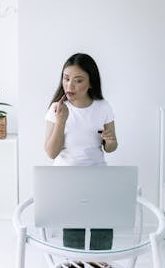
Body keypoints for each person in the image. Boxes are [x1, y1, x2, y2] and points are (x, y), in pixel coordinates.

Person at [44, 53, 118, 250]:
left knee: (103, 223)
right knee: (74, 225)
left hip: (97, 176)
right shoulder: (57, 109)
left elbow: (110, 147)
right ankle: (75, 261)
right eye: (66, 79)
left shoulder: (103, 107)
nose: (70, 86)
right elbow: (51, 153)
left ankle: (98, 262)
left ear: (91, 83)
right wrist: (61, 121)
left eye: (78, 81)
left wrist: (109, 141)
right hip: (66, 178)